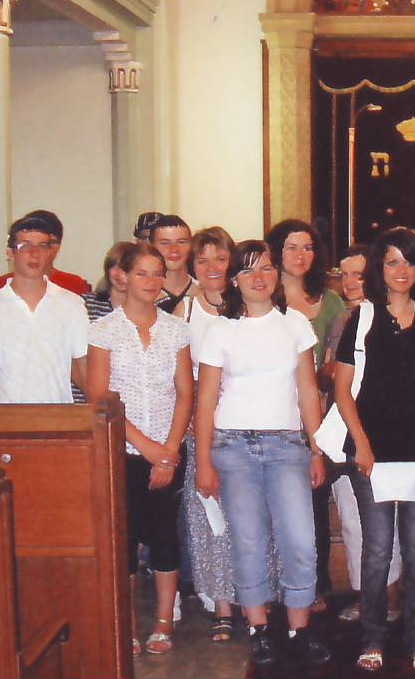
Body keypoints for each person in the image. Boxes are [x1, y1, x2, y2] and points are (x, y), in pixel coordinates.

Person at [194, 240, 331, 667]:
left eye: (267, 268)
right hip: (233, 448)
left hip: (287, 445)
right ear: (235, 279)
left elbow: (308, 390)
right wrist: (202, 463)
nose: (259, 277)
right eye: (249, 270)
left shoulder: (295, 325)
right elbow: (205, 400)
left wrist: (316, 448)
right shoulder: (222, 329)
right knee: (249, 541)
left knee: (300, 541)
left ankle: (298, 628)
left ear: (276, 275)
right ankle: (258, 629)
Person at [333, 227, 415, 673]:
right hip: (371, 453)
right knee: (377, 549)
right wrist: (361, 446)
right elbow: (343, 390)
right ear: (378, 269)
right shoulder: (362, 319)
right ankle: (373, 637)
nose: (401, 271)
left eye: (408, 261)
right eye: (391, 262)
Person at [86, 242, 193, 656]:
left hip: (169, 451)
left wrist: (168, 450)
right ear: (123, 277)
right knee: (125, 539)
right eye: (143, 273)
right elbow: (99, 395)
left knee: (166, 535)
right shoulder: (104, 330)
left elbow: (186, 392)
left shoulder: (176, 329)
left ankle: (164, 622)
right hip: (122, 452)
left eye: (157, 274)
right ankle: (127, 622)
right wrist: (146, 447)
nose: (151, 282)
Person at [265, 219, 348, 612]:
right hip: (269, 414)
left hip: (316, 415)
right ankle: (270, 583)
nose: (301, 256)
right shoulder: (262, 294)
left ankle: (314, 585)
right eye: (291, 247)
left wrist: (311, 375)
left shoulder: (329, 302)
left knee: (311, 503)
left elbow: (335, 365)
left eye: (308, 247)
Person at [331, 242, 405, 624]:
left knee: (389, 522)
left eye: (358, 273)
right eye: (343, 274)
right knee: (355, 521)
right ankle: (368, 596)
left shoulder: (397, 317)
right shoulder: (342, 320)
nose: (350, 282)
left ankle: (392, 594)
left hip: (393, 431)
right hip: (348, 429)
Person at [176, 227, 238, 641]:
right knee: (209, 517)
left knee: (247, 517)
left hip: (247, 420)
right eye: (203, 260)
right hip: (202, 422)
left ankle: (255, 595)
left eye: (219, 258)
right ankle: (222, 604)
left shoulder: (249, 303)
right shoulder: (183, 310)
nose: (212, 267)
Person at [0, 213, 89, 404]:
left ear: (50, 252)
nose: (35, 253)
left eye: (42, 246)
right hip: (8, 421)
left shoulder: (72, 304)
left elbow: (83, 369)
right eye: (25, 246)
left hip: (60, 419)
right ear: (10, 253)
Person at [0, 209, 91, 297]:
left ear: (58, 247)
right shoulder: (1, 285)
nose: (36, 252)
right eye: (27, 245)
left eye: (44, 244)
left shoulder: (74, 284)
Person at [149, 214, 196, 314]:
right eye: (165, 243)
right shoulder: (143, 295)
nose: (174, 250)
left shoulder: (205, 293)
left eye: (181, 242)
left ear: (191, 245)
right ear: (152, 246)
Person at [83, 241, 134, 321]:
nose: (119, 274)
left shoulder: (146, 309)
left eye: (126, 268)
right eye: (114, 266)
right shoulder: (86, 304)